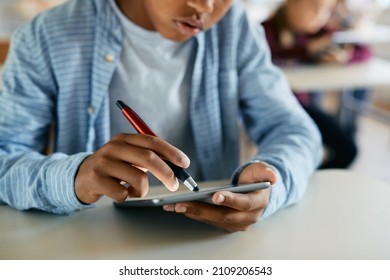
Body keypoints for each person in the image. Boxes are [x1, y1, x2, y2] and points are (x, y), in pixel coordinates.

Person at [0, 0, 322, 232]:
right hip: (91, 241)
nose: (204, 7)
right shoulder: (46, 35)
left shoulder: (235, 28)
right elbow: (4, 157)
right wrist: (74, 177)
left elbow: (295, 130)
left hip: (208, 244)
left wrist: (272, 182)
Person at [262, 0, 367, 169]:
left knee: (346, 147)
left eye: (326, 10)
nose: (320, 15)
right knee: (341, 148)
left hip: (303, 104)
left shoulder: (321, 32)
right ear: (292, 4)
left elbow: (362, 49)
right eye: (314, 7)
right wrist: (306, 50)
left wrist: (344, 58)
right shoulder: (265, 31)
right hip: (274, 106)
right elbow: (270, 54)